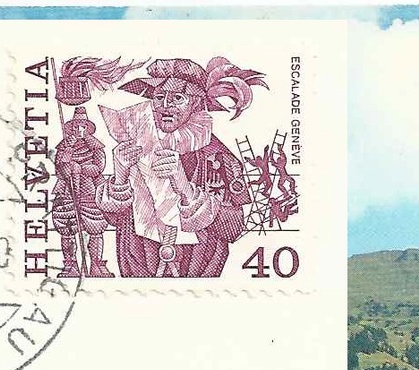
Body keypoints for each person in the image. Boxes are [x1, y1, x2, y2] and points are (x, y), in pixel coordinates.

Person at [101, 57, 265, 278]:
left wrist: (186, 190)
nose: (165, 106)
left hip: (198, 274)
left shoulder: (218, 157)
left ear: (196, 103)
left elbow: (234, 228)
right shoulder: (135, 144)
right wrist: (120, 178)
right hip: (139, 271)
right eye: (159, 97)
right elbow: (114, 219)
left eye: (178, 97)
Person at [51, 108, 114, 278]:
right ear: (71, 127)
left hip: (90, 190)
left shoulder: (95, 146)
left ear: (88, 128)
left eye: (83, 125)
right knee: (67, 229)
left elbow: (99, 167)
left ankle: (96, 265)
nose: (79, 129)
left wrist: (81, 169)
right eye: (76, 125)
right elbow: (59, 167)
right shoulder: (65, 145)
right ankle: (70, 265)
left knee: (96, 229)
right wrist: (69, 162)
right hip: (67, 190)